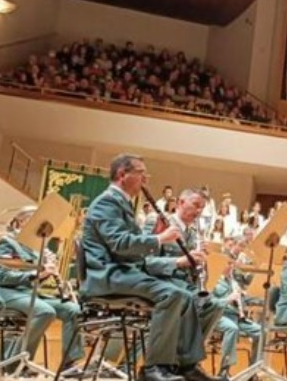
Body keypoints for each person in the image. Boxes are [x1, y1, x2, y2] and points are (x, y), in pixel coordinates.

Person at [81, 154, 220, 381]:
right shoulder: (107, 202)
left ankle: (184, 365)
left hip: (123, 270)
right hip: (107, 274)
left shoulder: (122, 203)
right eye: (141, 173)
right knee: (172, 294)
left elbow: (131, 251)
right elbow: (119, 244)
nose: (145, 180)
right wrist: (160, 239)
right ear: (122, 175)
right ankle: (153, 369)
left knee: (185, 295)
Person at [0, 207, 83, 373]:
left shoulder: (35, 246)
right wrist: (38, 272)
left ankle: (69, 364)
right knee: (45, 312)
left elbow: (37, 277)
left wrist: (47, 272)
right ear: (22, 221)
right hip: (7, 292)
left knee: (73, 309)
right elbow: (3, 277)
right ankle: (16, 364)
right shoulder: (7, 241)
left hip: (29, 294)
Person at [142, 188, 224, 340]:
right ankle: (183, 357)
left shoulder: (193, 233)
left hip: (185, 285)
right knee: (193, 301)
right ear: (180, 202)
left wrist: (201, 262)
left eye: (202, 208)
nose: (199, 211)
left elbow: (198, 276)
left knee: (215, 305)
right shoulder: (160, 221)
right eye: (196, 205)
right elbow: (143, 261)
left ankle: (187, 356)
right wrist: (178, 262)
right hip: (162, 281)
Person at [212, 262, 261, 378]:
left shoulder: (234, 282)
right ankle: (224, 370)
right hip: (219, 316)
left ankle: (253, 371)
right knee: (232, 328)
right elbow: (208, 303)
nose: (231, 267)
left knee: (260, 332)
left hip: (237, 316)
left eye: (232, 264)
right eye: (228, 264)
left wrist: (248, 297)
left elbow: (243, 300)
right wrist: (228, 299)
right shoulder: (213, 280)